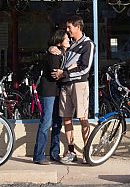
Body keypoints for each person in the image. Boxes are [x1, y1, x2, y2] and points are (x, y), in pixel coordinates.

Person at [50, 15, 95, 164]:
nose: (67, 30)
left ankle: (88, 152)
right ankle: (71, 151)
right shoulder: (68, 44)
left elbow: (85, 68)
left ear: (78, 27)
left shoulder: (88, 44)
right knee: (66, 118)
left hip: (79, 85)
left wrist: (65, 73)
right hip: (65, 85)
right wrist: (51, 47)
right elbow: (61, 57)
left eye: (69, 27)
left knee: (83, 118)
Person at [32, 29, 68, 165]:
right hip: (49, 91)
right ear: (59, 42)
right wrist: (66, 74)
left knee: (57, 122)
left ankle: (54, 153)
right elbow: (55, 74)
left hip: (58, 91)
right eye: (66, 39)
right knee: (46, 122)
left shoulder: (63, 53)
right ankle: (38, 155)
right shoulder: (54, 54)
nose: (69, 40)